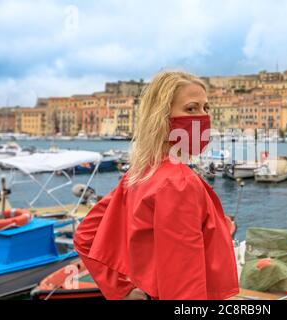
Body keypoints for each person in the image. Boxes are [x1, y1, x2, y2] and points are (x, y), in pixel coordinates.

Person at [73, 71, 239, 300]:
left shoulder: (141, 173)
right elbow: (184, 288)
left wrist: (123, 290)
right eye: (191, 109)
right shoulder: (179, 183)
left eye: (206, 108)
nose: (202, 117)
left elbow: (86, 235)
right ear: (162, 116)